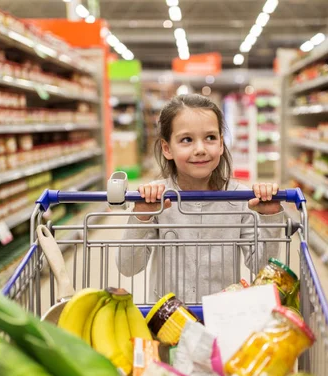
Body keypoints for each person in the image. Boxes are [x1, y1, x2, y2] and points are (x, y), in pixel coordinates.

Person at [117, 94, 284, 302]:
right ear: (167, 148)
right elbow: (128, 267)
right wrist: (141, 215)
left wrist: (270, 218)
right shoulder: (157, 199)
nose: (200, 149)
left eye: (210, 138)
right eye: (186, 140)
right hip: (167, 319)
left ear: (221, 144)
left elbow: (262, 268)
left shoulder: (240, 198)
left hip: (220, 316)